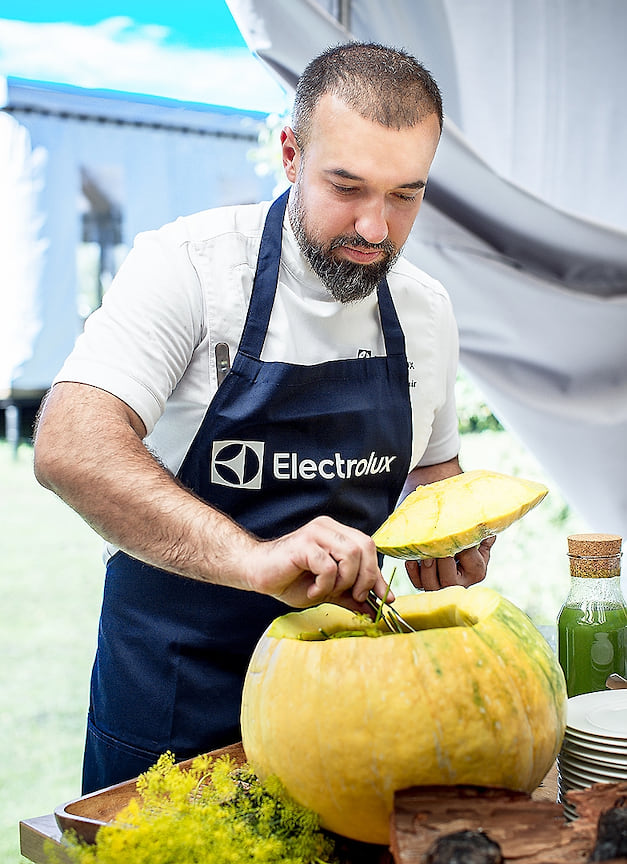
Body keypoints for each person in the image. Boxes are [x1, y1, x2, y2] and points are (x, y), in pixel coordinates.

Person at [33, 41, 494, 793]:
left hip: (355, 718)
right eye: (345, 186)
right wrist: (255, 560)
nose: (375, 229)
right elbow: (68, 447)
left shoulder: (425, 308)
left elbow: (432, 471)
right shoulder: (189, 266)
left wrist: (450, 535)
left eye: (405, 194)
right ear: (289, 153)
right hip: (179, 711)